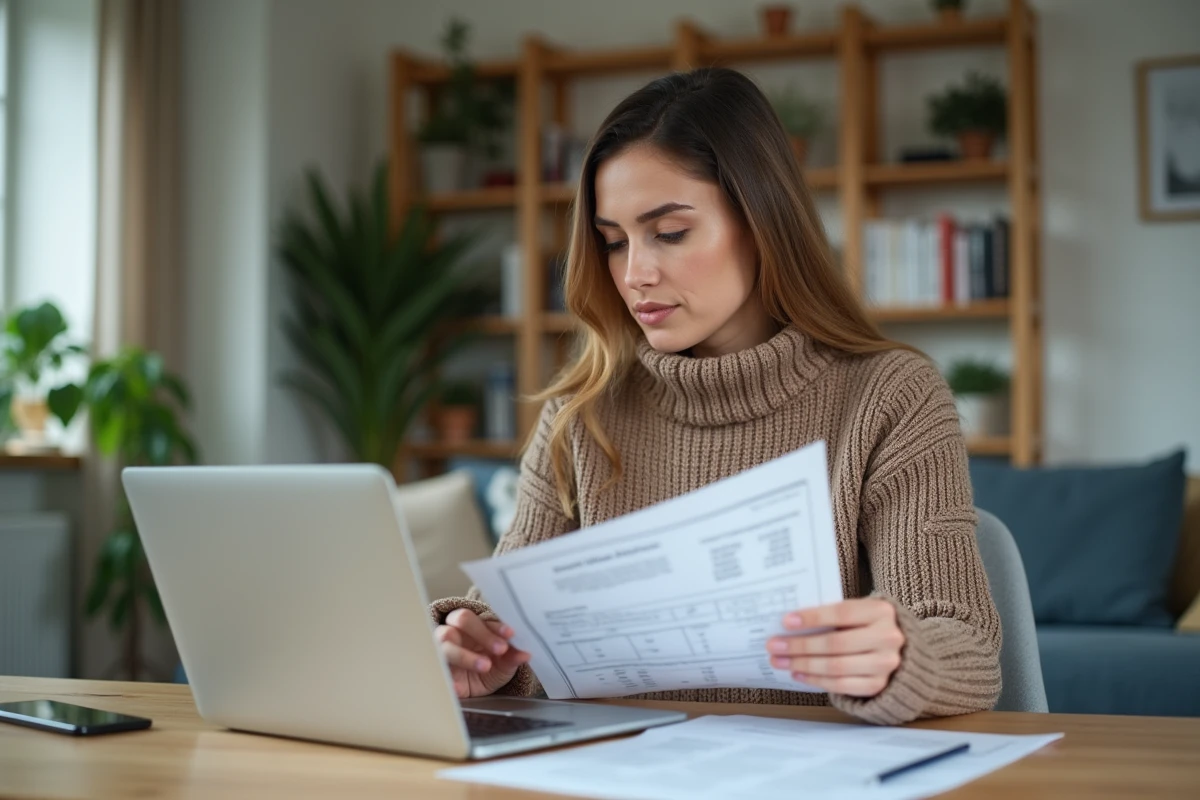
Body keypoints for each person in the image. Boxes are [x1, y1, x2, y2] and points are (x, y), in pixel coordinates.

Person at [431, 67, 1001, 725]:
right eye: (613, 242)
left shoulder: (890, 396)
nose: (635, 274)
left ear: (761, 220)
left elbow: (966, 649)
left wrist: (900, 657)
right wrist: (472, 656)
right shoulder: (581, 413)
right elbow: (502, 630)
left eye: (669, 232)